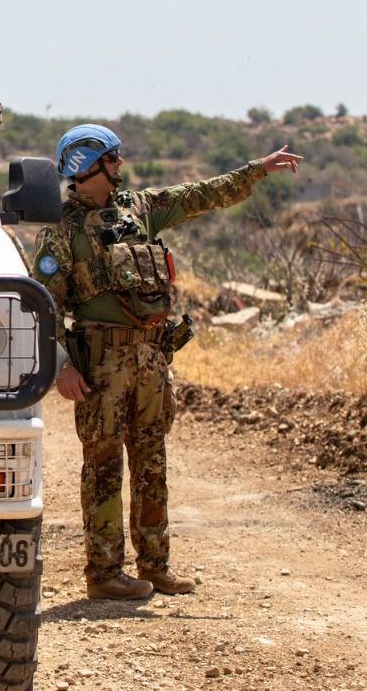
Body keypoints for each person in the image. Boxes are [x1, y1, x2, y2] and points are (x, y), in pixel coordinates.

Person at [32, 124, 302, 601]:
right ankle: (104, 573)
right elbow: (43, 307)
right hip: (100, 361)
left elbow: (201, 195)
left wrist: (256, 170)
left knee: (152, 462)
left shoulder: (139, 209)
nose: (120, 164)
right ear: (85, 166)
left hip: (151, 355)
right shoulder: (61, 231)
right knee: (103, 465)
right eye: (112, 158)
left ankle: (155, 566)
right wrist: (61, 366)